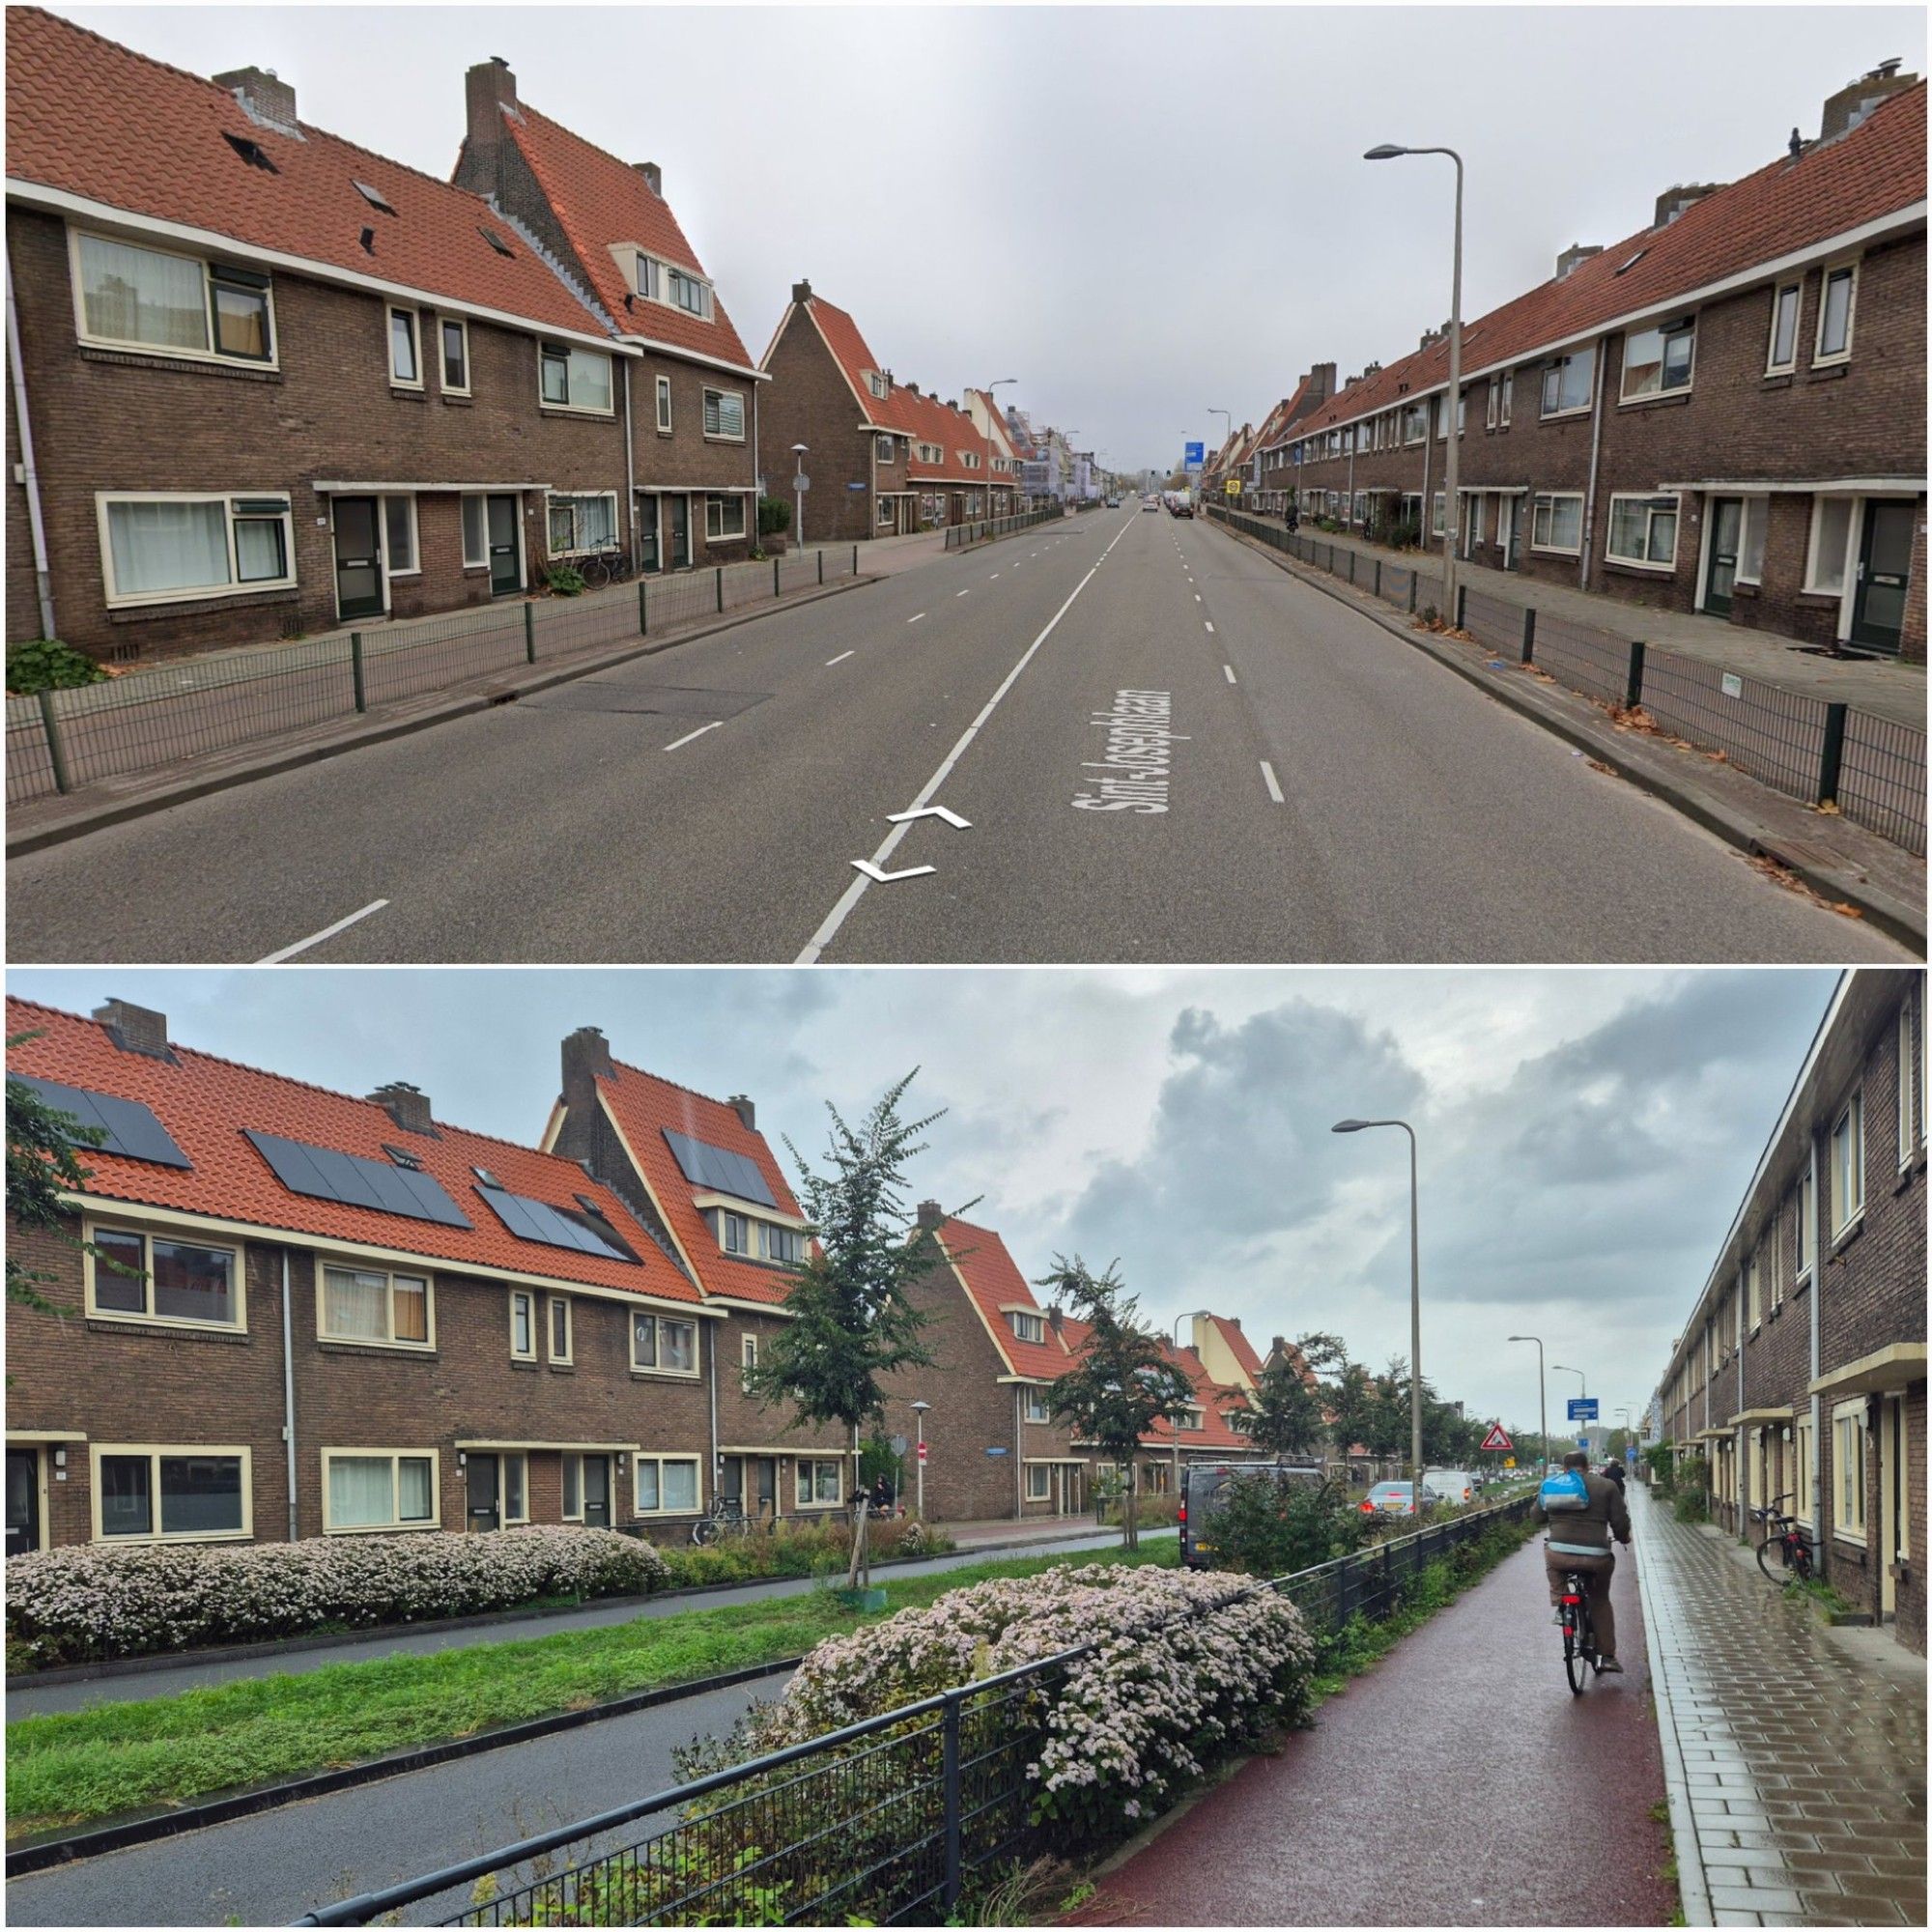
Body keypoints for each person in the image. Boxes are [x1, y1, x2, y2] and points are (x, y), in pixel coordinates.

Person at [1532, 1448, 1632, 1671]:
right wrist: (1624, 1538)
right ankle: (1607, 1657)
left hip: (1560, 1555)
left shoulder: (1552, 1484)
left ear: (1565, 1468)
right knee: (1600, 1599)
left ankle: (1560, 1603)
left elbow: (1536, 1517)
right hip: (1597, 1558)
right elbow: (1619, 1522)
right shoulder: (1606, 1486)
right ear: (1587, 1466)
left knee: (1551, 1557)